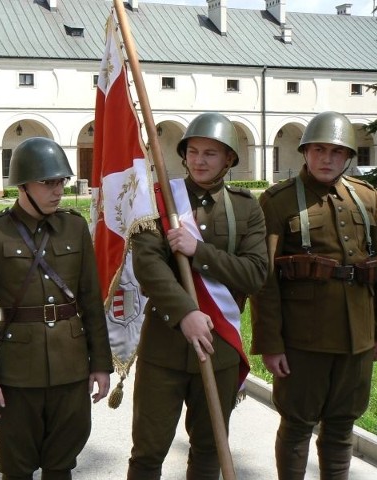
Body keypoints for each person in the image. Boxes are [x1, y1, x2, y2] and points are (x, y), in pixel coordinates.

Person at [250, 111, 377, 479]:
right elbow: (265, 279)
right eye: (318, 149)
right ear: (305, 152)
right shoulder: (278, 201)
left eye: (336, 151)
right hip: (304, 340)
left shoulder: (366, 198)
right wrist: (271, 343)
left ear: (348, 156)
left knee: (342, 424)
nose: (327, 159)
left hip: (357, 338)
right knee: (298, 424)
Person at [0, 136, 113, 480]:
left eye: (61, 182)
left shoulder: (74, 226)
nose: (57, 191)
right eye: (47, 183)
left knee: (62, 464)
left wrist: (101, 364)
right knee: (16, 466)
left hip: (71, 368)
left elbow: (91, 300)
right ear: (23, 185)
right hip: (17, 372)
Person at [127, 113, 268, 480]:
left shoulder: (245, 207)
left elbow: (255, 273)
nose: (200, 161)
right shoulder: (161, 200)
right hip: (164, 345)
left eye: (210, 153)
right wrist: (186, 311)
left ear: (228, 160)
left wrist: (198, 251)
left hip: (218, 345)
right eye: (193, 152)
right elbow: (148, 265)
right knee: (147, 452)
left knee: (208, 450)